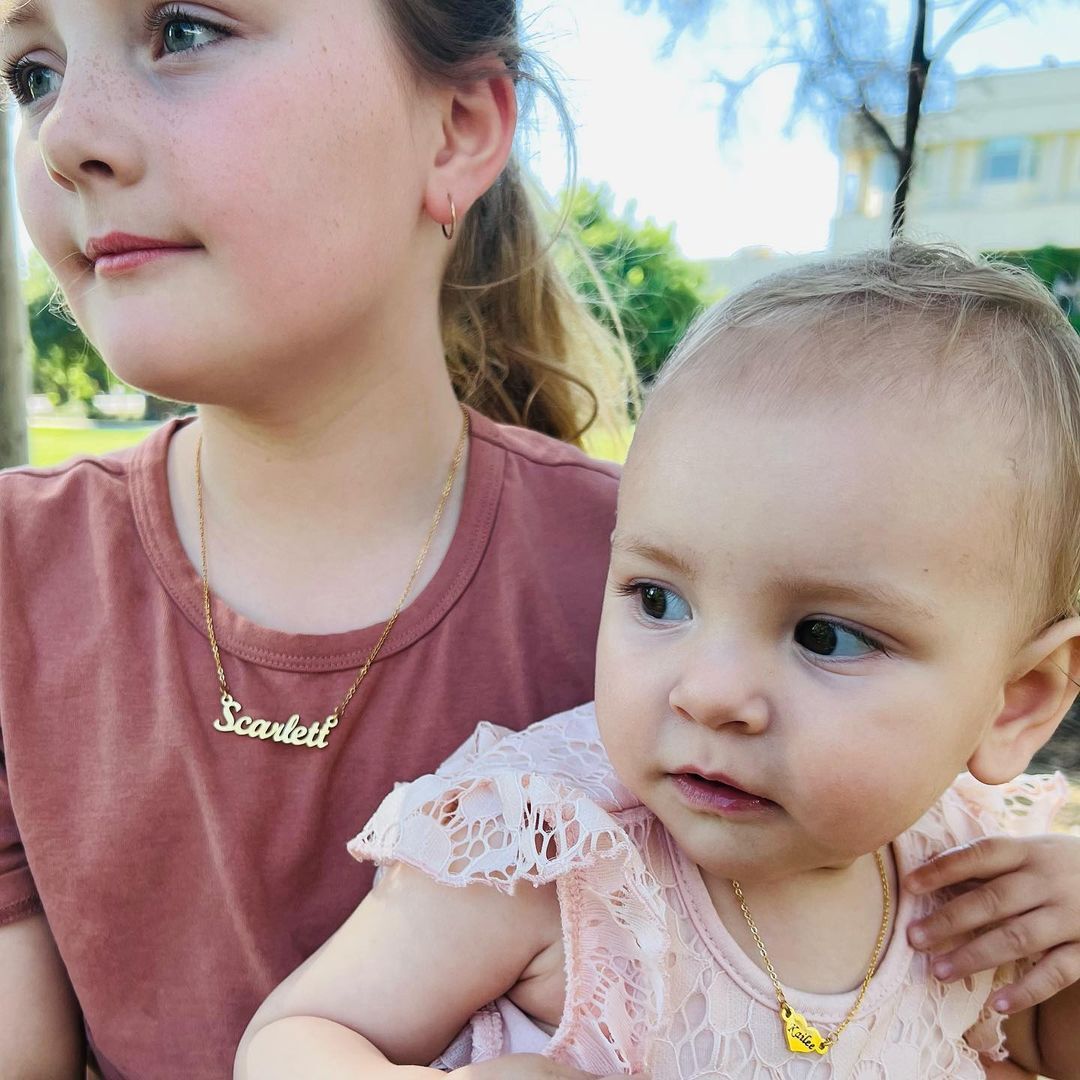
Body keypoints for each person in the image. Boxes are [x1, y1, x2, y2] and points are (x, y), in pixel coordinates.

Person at [238, 245, 1080, 1079]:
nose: (709, 693)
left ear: (1015, 701)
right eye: (658, 599)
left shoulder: (976, 885)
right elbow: (296, 1037)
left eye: (824, 636)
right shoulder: (552, 856)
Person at [0, 2, 639, 1077]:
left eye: (186, 29)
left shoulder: (661, 588)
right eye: (31, 74)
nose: (68, 137)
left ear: (457, 131)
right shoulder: (16, 578)